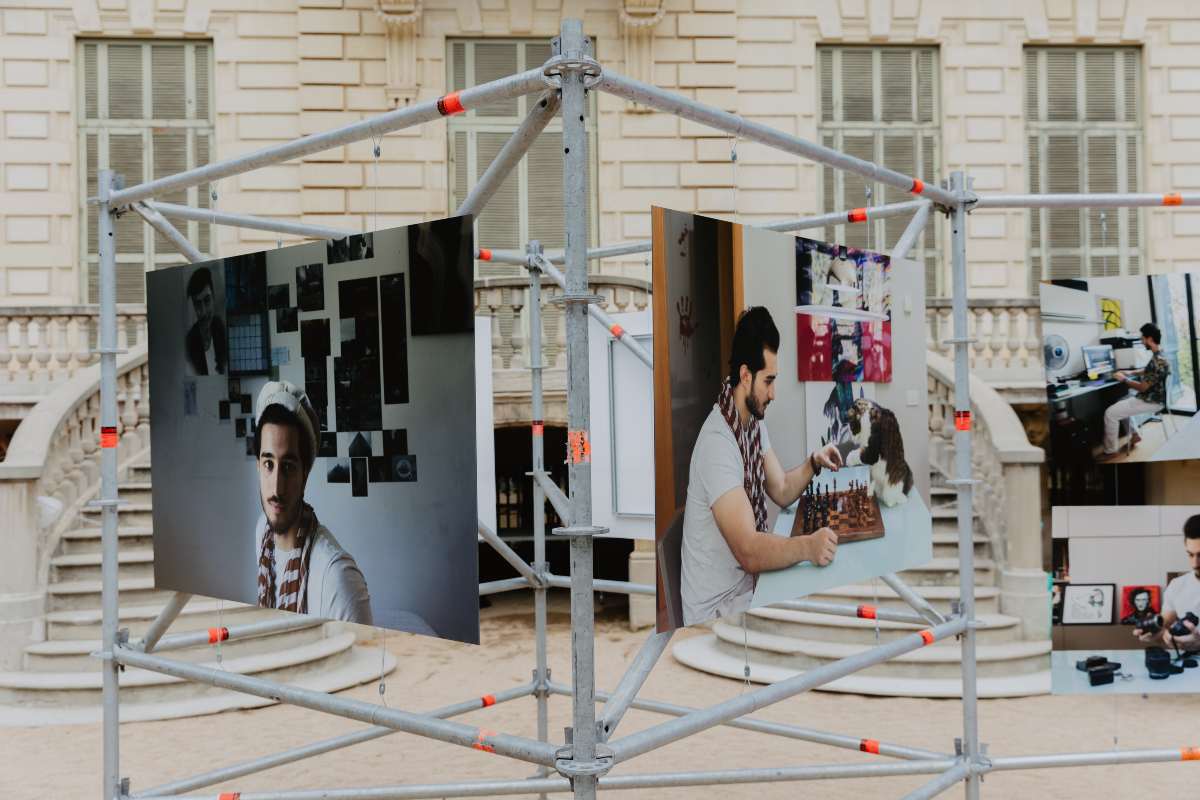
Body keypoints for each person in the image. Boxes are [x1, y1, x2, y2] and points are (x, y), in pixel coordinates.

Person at [680, 306, 842, 627]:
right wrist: (808, 547)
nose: (773, 393)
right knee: (812, 609)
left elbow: (781, 489)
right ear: (745, 375)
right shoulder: (718, 442)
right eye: (768, 381)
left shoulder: (752, 423)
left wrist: (813, 462)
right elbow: (749, 551)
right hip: (717, 608)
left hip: (743, 588)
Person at [253, 380, 376, 625]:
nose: (276, 488)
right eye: (269, 464)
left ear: (305, 473)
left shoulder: (338, 578)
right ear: (258, 466)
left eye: (288, 467)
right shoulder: (262, 532)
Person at [1097, 323, 1170, 461]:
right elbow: (1147, 370)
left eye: (1143, 338)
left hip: (1152, 400)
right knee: (1121, 402)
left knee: (1110, 413)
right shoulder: (1160, 355)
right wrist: (1130, 371)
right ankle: (1135, 434)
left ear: (1149, 339)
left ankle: (1110, 451)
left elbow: (1143, 387)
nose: (1142, 341)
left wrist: (1124, 379)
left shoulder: (1157, 361)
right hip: (1156, 397)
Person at [1135, 515, 1200, 650]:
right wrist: (1155, 634)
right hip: (1188, 668)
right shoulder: (1176, 586)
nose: (1195, 564)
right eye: (1190, 554)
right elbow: (1164, 626)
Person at [184, 267, 226, 376]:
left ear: (214, 298)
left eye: (207, 300)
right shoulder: (189, 343)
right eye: (197, 303)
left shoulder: (221, 328)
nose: (203, 312)